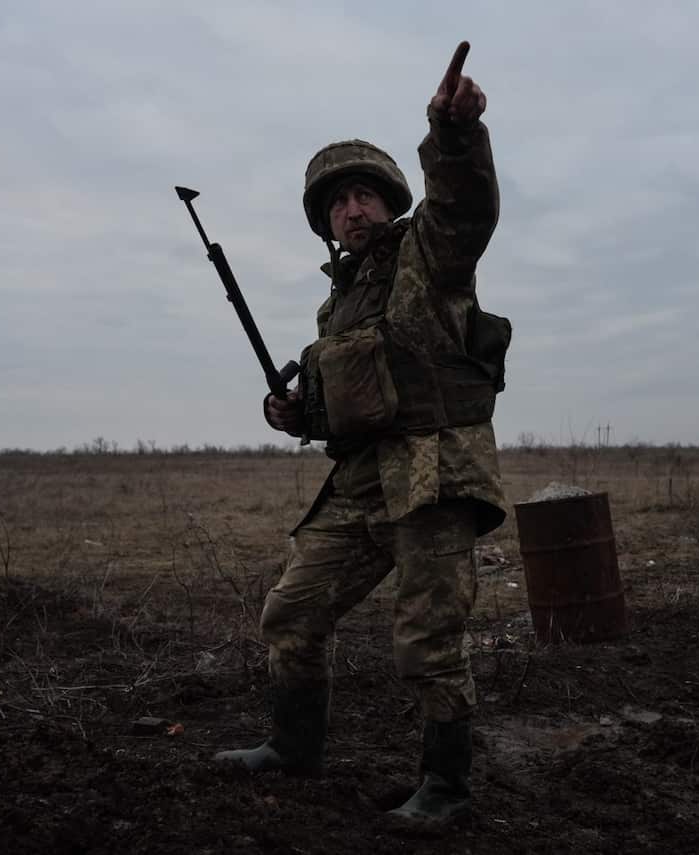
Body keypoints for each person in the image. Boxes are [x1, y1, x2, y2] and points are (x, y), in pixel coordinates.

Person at [213, 41, 510, 826]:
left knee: (427, 640)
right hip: (362, 483)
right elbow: (342, 402)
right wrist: (295, 414)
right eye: (338, 201)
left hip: (432, 477)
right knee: (291, 612)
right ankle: (293, 746)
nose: (352, 209)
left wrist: (452, 133)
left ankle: (446, 788)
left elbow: (465, 203)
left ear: (389, 202)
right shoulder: (335, 305)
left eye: (364, 195)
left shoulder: (428, 253)